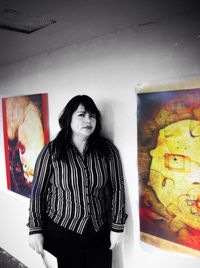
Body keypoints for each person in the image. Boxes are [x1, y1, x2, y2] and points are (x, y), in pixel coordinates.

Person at [27, 95, 127, 268]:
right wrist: (35, 230)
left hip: (98, 231)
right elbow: (38, 192)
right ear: (68, 119)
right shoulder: (52, 151)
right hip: (60, 231)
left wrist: (117, 227)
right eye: (81, 115)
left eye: (92, 116)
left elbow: (117, 188)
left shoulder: (107, 150)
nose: (88, 120)